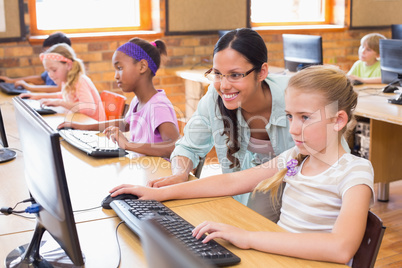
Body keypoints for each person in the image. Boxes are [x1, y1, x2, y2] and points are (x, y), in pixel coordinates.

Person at [108, 65, 374, 266]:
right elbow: (234, 181)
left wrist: (247, 237)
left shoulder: (355, 172)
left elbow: (340, 248)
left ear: (338, 120)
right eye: (290, 116)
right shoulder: (297, 157)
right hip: (280, 255)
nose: (293, 128)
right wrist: (159, 194)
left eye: (305, 117)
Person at [149, 28, 295, 222]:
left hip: (301, 198)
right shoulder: (214, 99)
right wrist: (180, 173)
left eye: (235, 75)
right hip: (241, 202)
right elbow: (187, 147)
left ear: (262, 72)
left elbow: (330, 162)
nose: (223, 86)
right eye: (218, 74)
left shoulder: (295, 96)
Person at [57, 38, 180, 158]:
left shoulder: (157, 105)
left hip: (159, 173)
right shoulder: (137, 101)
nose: (116, 76)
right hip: (143, 169)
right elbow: (125, 124)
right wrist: (84, 127)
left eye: (120, 68)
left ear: (142, 67)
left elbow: (174, 146)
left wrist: (129, 145)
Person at [20, 43, 106, 122]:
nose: (51, 75)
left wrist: (59, 103)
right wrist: (37, 96)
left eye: (54, 70)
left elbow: (89, 108)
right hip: (81, 123)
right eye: (47, 71)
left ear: (68, 65)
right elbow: (64, 95)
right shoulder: (66, 80)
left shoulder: (80, 80)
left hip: (96, 130)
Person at [0, 32, 71, 92]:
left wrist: (28, 87)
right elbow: (40, 79)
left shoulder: (68, 68)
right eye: (45, 52)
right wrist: (11, 80)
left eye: (49, 53)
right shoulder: (52, 68)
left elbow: (60, 89)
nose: (46, 56)